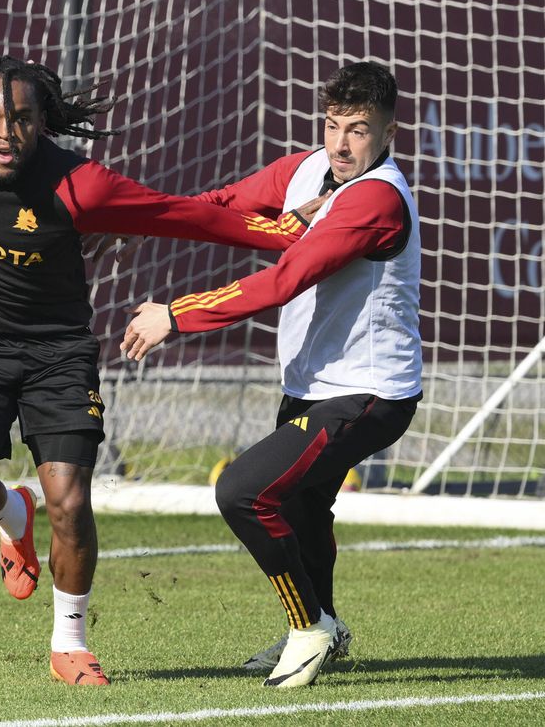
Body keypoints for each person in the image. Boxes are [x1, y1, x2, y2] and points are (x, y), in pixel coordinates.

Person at [0, 55, 307, 686]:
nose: (3, 133)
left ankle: (69, 643)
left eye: (19, 120)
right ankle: (14, 517)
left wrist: (298, 240)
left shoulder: (83, 186)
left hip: (57, 353)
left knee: (70, 502)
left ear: (42, 123)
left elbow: (190, 217)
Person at [120, 61, 422, 688]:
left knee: (242, 492)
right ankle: (326, 626)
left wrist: (177, 314)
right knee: (306, 507)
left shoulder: (378, 198)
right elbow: (223, 205)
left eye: (359, 130)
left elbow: (286, 277)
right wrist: (124, 225)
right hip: (311, 384)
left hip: (368, 393)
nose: (340, 143)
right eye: (333, 124)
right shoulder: (309, 167)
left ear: (390, 131)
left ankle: (308, 626)